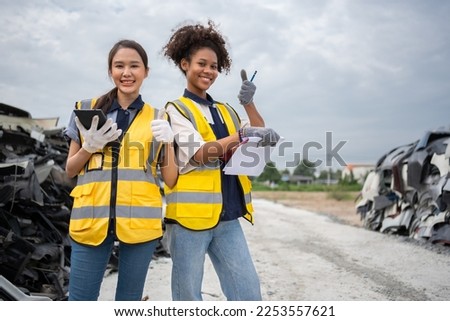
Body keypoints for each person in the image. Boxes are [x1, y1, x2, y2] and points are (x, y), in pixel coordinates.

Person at [161, 20, 280, 301]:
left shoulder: (225, 109)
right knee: (188, 298)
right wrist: (243, 134)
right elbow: (201, 152)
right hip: (189, 221)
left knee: (248, 293)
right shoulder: (176, 109)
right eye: (202, 63)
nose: (209, 71)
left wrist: (249, 105)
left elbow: (253, 134)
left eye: (214, 66)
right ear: (184, 64)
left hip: (227, 217)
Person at [64, 39, 177, 301]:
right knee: (80, 303)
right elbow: (70, 169)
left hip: (140, 223)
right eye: (119, 66)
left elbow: (170, 180)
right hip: (91, 218)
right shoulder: (85, 110)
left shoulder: (159, 118)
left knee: (128, 303)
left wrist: (169, 142)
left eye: (134, 66)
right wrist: (88, 147)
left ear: (146, 72)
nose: (127, 73)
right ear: (110, 71)